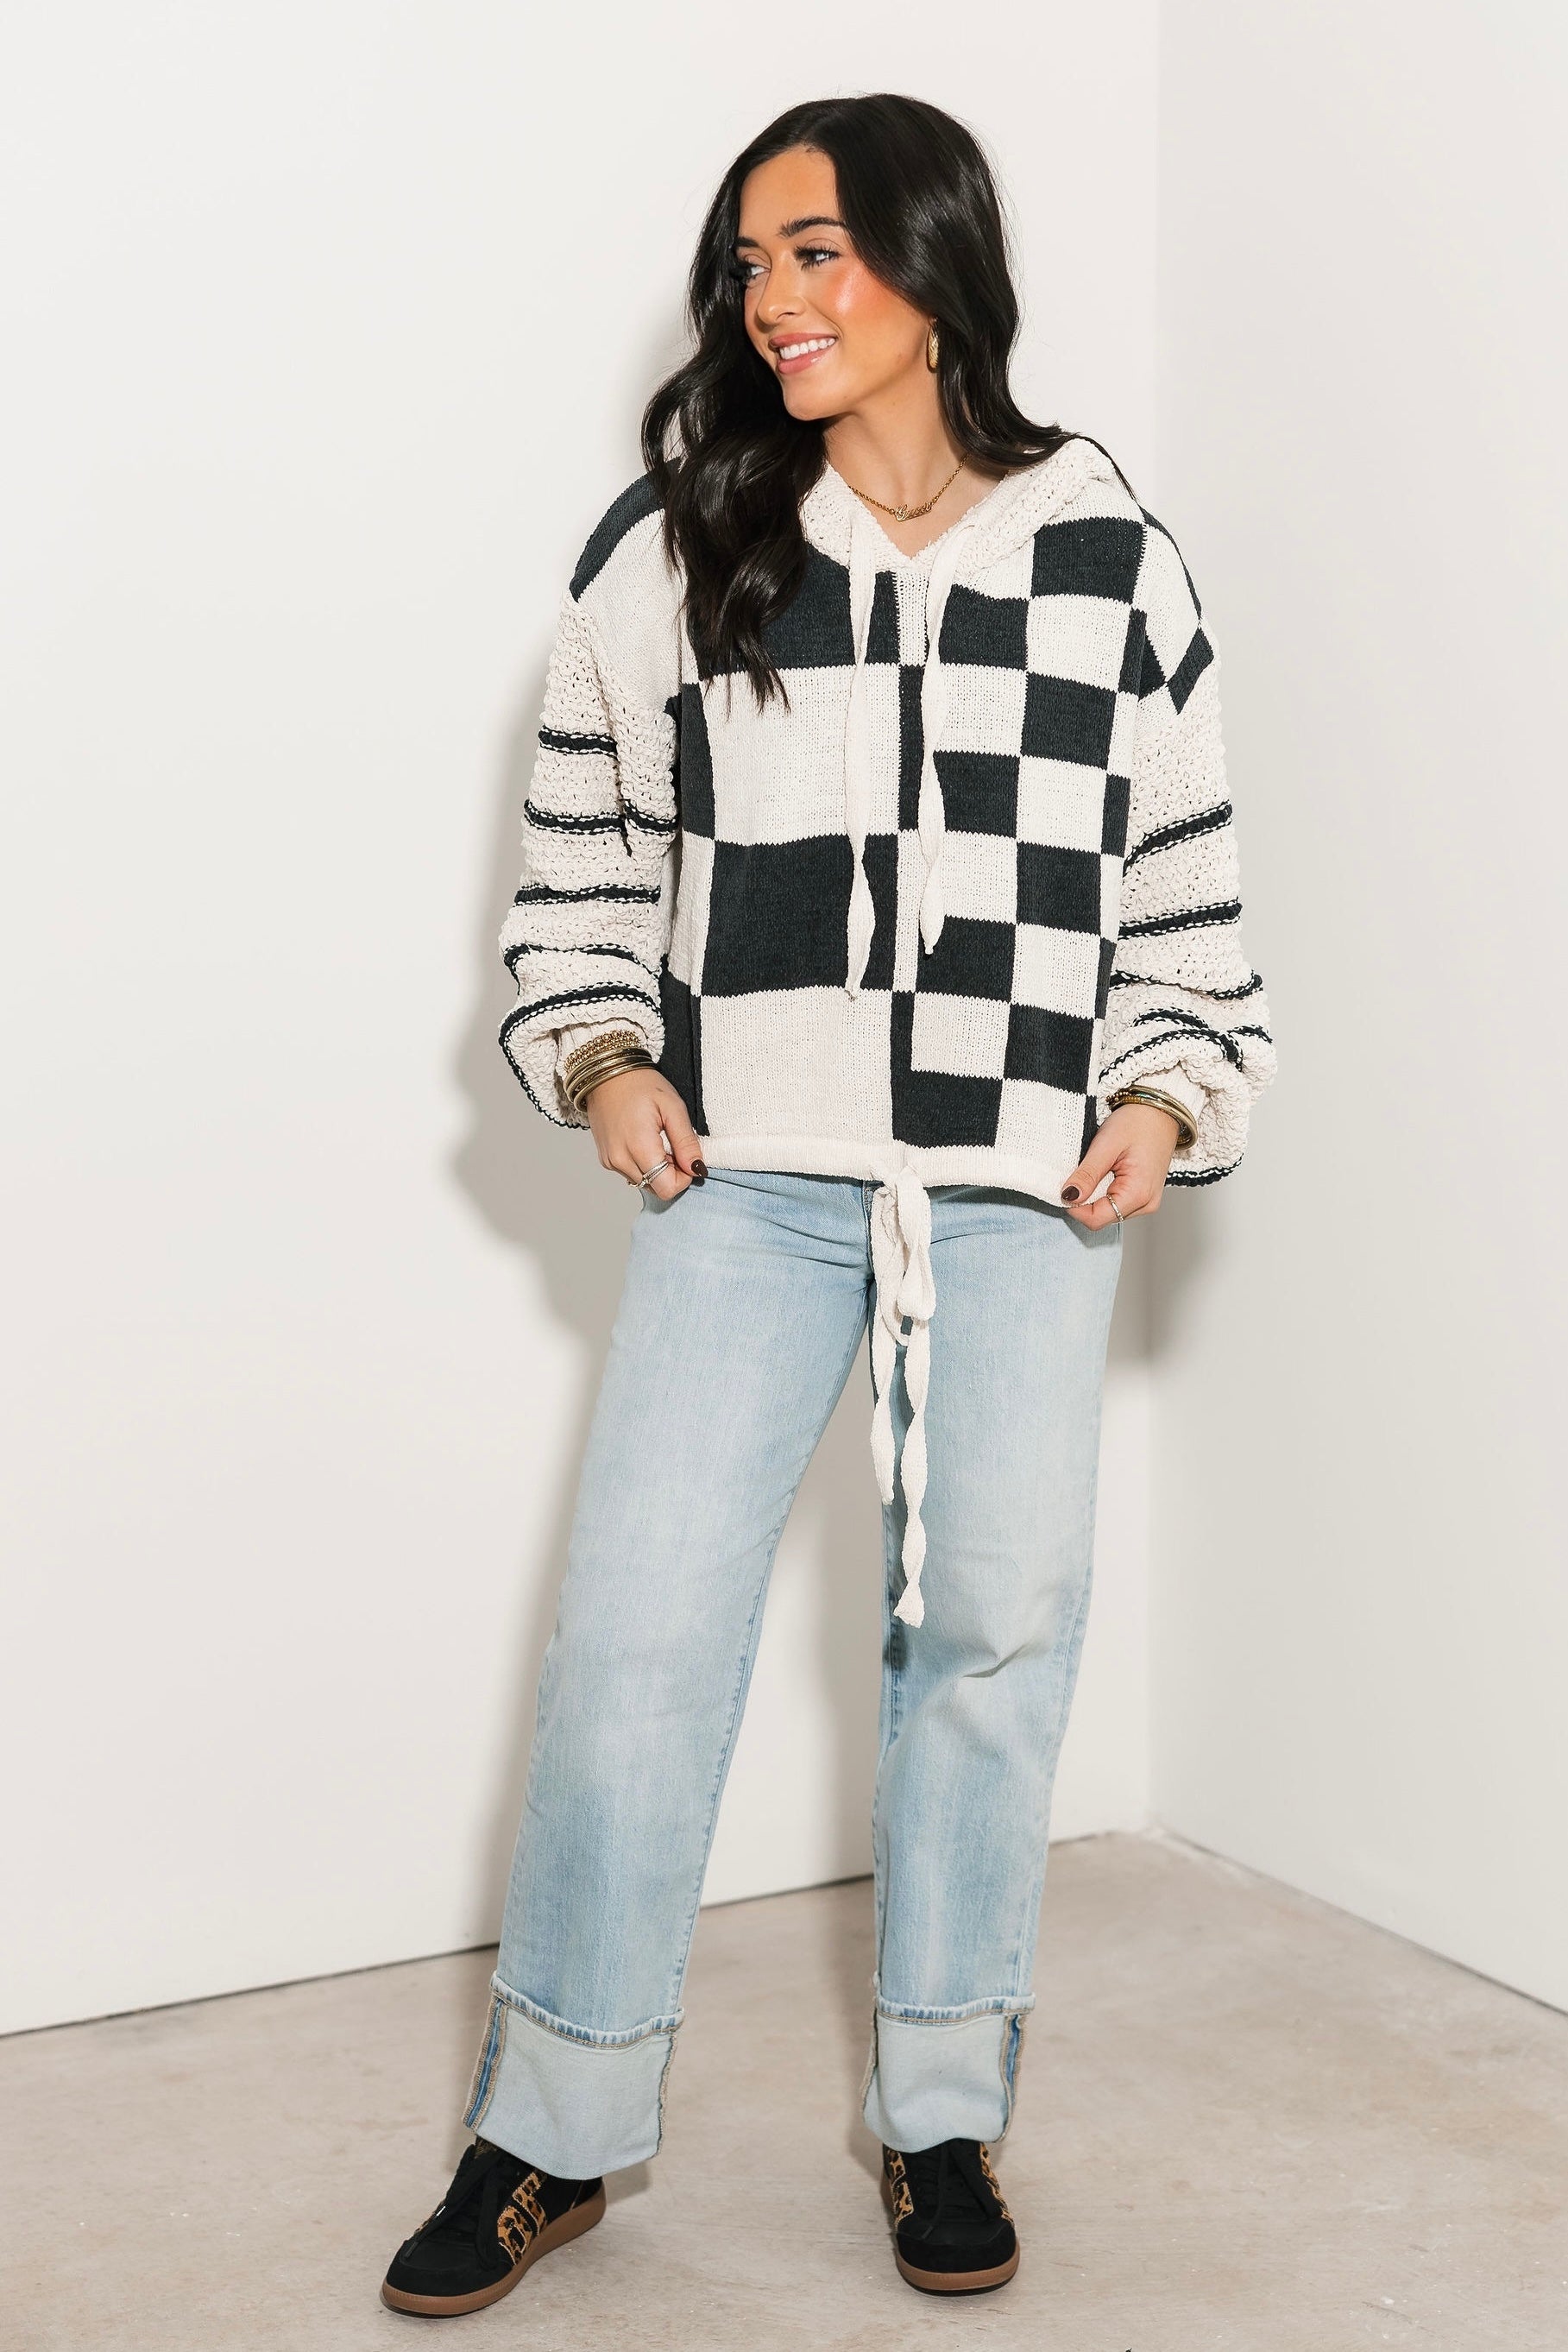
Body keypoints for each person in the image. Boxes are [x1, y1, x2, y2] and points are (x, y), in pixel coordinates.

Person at [381, 91, 1275, 2317]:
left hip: (1020, 1184)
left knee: (990, 1636)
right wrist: (602, 1059)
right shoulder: (681, 542)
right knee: (638, 1638)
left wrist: (1162, 1097)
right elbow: (576, 867)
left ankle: (944, 2115)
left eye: (816, 254)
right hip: (750, 1170)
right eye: (751, 265)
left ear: (931, 264)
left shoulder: (1107, 551)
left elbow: (1183, 895)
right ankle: (551, 2128)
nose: (775, 301)